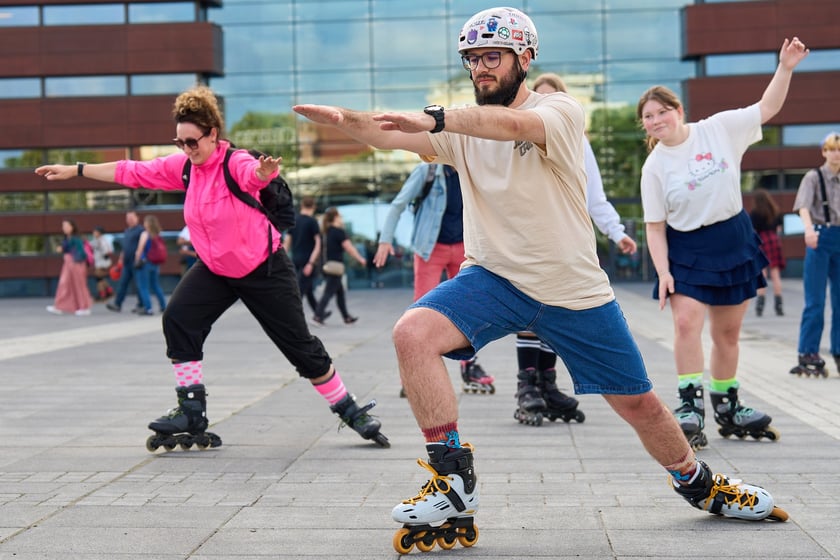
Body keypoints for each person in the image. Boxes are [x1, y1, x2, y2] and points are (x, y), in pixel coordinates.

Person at [293, 7, 790, 552]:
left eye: (492, 57)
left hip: (572, 290)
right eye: (472, 60)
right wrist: (344, 120)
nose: (481, 68)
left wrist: (435, 118)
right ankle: (454, 480)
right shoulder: (457, 131)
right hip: (494, 279)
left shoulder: (558, 110)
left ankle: (700, 484)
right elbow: (387, 134)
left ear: (524, 58)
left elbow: (509, 126)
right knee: (412, 333)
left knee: (640, 405)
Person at [35, 84, 388, 449]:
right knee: (178, 318)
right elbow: (133, 171)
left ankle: (350, 410)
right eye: (180, 143)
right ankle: (191, 409)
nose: (187, 150)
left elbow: (253, 174)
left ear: (213, 134)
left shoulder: (233, 162)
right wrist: (76, 170)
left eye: (193, 142)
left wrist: (264, 174)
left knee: (300, 346)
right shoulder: (185, 168)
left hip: (263, 268)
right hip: (216, 269)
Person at [639, 37, 808, 451]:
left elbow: (766, 108)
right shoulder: (654, 167)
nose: (657, 120)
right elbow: (655, 227)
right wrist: (662, 271)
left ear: (678, 111)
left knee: (728, 333)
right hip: (687, 247)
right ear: (644, 125)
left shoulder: (717, 129)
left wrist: (785, 67)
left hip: (732, 238)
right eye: (648, 117)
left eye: (662, 112)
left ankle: (728, 405)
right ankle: (689, 406)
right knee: (685, 323)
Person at [514, 72, 639, 425]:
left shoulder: (576, 141)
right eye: (539, 98)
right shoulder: (514, 140)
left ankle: (547, 385)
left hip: (566, 239)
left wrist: (616, 232)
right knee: (528, 312)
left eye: (553, 98)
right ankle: (527, 388)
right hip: (527, 237)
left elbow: (594, 195)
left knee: (554, 312)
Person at [374, 162, 495, 394]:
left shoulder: (473, 167)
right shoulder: (427, 171)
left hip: (464, 248)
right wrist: (385, 239)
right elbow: (399, 204)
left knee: (468, 309)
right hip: (431, 248)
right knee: (420, 311)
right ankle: (412, 373)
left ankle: (470, 366)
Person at [791, 131, 840, 377]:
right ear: (824, 152)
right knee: (816, 300)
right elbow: (803, 207)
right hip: (820, 238)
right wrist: (809, 230)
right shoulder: (814, 177)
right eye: (832, 149)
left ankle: (839, 350)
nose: (836, 154)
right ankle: (808, 351)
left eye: (839, 150)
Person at [312, 207, 366, 326]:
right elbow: (349, 248)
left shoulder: (325, 232)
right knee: (329, 292)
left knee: (339, 293)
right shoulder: (339, 232)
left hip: (327, 266)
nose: (341, 218)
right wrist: (360, 258)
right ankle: (317, 315)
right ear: (335, 217)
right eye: (340, 216)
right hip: (335, 267)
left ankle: (346, 317)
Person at [285, 196, 323, 316]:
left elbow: (287, 243)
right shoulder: (312, 222)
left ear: (302, 206)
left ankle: (319, 312)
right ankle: (292, 316)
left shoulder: (294, 220)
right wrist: (311, 263)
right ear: (313, 207)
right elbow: (318, 245)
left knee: (307, 288)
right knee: (300, 290)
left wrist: (282, 260)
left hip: (295, 259)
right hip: (308, 260)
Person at [750, 188, 785, 317]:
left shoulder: (754, 213)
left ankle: (760, 305)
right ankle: (779, 305)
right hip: (774, 240)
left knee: (762, 273)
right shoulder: (775, 211)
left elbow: (752, 231)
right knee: (775, 274)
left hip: (761, 241)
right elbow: (779, 229)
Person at [47, 218, 93, 316]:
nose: (64, 228)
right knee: (65, 284)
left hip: (76, 264)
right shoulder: (68, 238)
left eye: (67, 226)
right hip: (69, 264)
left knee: (78, 285)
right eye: (63, 226)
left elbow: (81, 252)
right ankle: (60, 306)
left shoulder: (76, 238)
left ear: (72, 227)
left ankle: (84, 307)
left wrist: (75, 260)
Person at [106, 210, 145, 313]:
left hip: (136, 262)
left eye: (132, 218)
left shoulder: (141, 230)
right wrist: (121, 259)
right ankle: (117, 304)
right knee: (123, 283)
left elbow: (143, 246)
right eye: (128, 218)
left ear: (137, 218)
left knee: (139, 285)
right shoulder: (127, 231)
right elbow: (125, 247)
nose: (130, 220)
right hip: (127, 263)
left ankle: (141, 305)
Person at [134, 214, 167, 316]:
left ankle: (148, 308)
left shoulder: (145, 234)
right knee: (156, 285)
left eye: (145, 222)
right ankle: (163, 306)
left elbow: (140, 249)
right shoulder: (158, 234)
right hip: (155, 263)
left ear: (147, 223)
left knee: (143, 286)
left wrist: (136, 259)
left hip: (145, 263)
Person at [90, 225, 115, 302]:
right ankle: (109, 291)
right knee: (100, 279)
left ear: (99, 233)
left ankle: (103, 294)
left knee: (98, 279)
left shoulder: (102, 241)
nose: (94, 233)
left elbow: (107, 251)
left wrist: (104, 256)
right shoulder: (98, 240)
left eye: (95, 232)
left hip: (102, 263)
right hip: (101, 263)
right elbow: (90, 245)